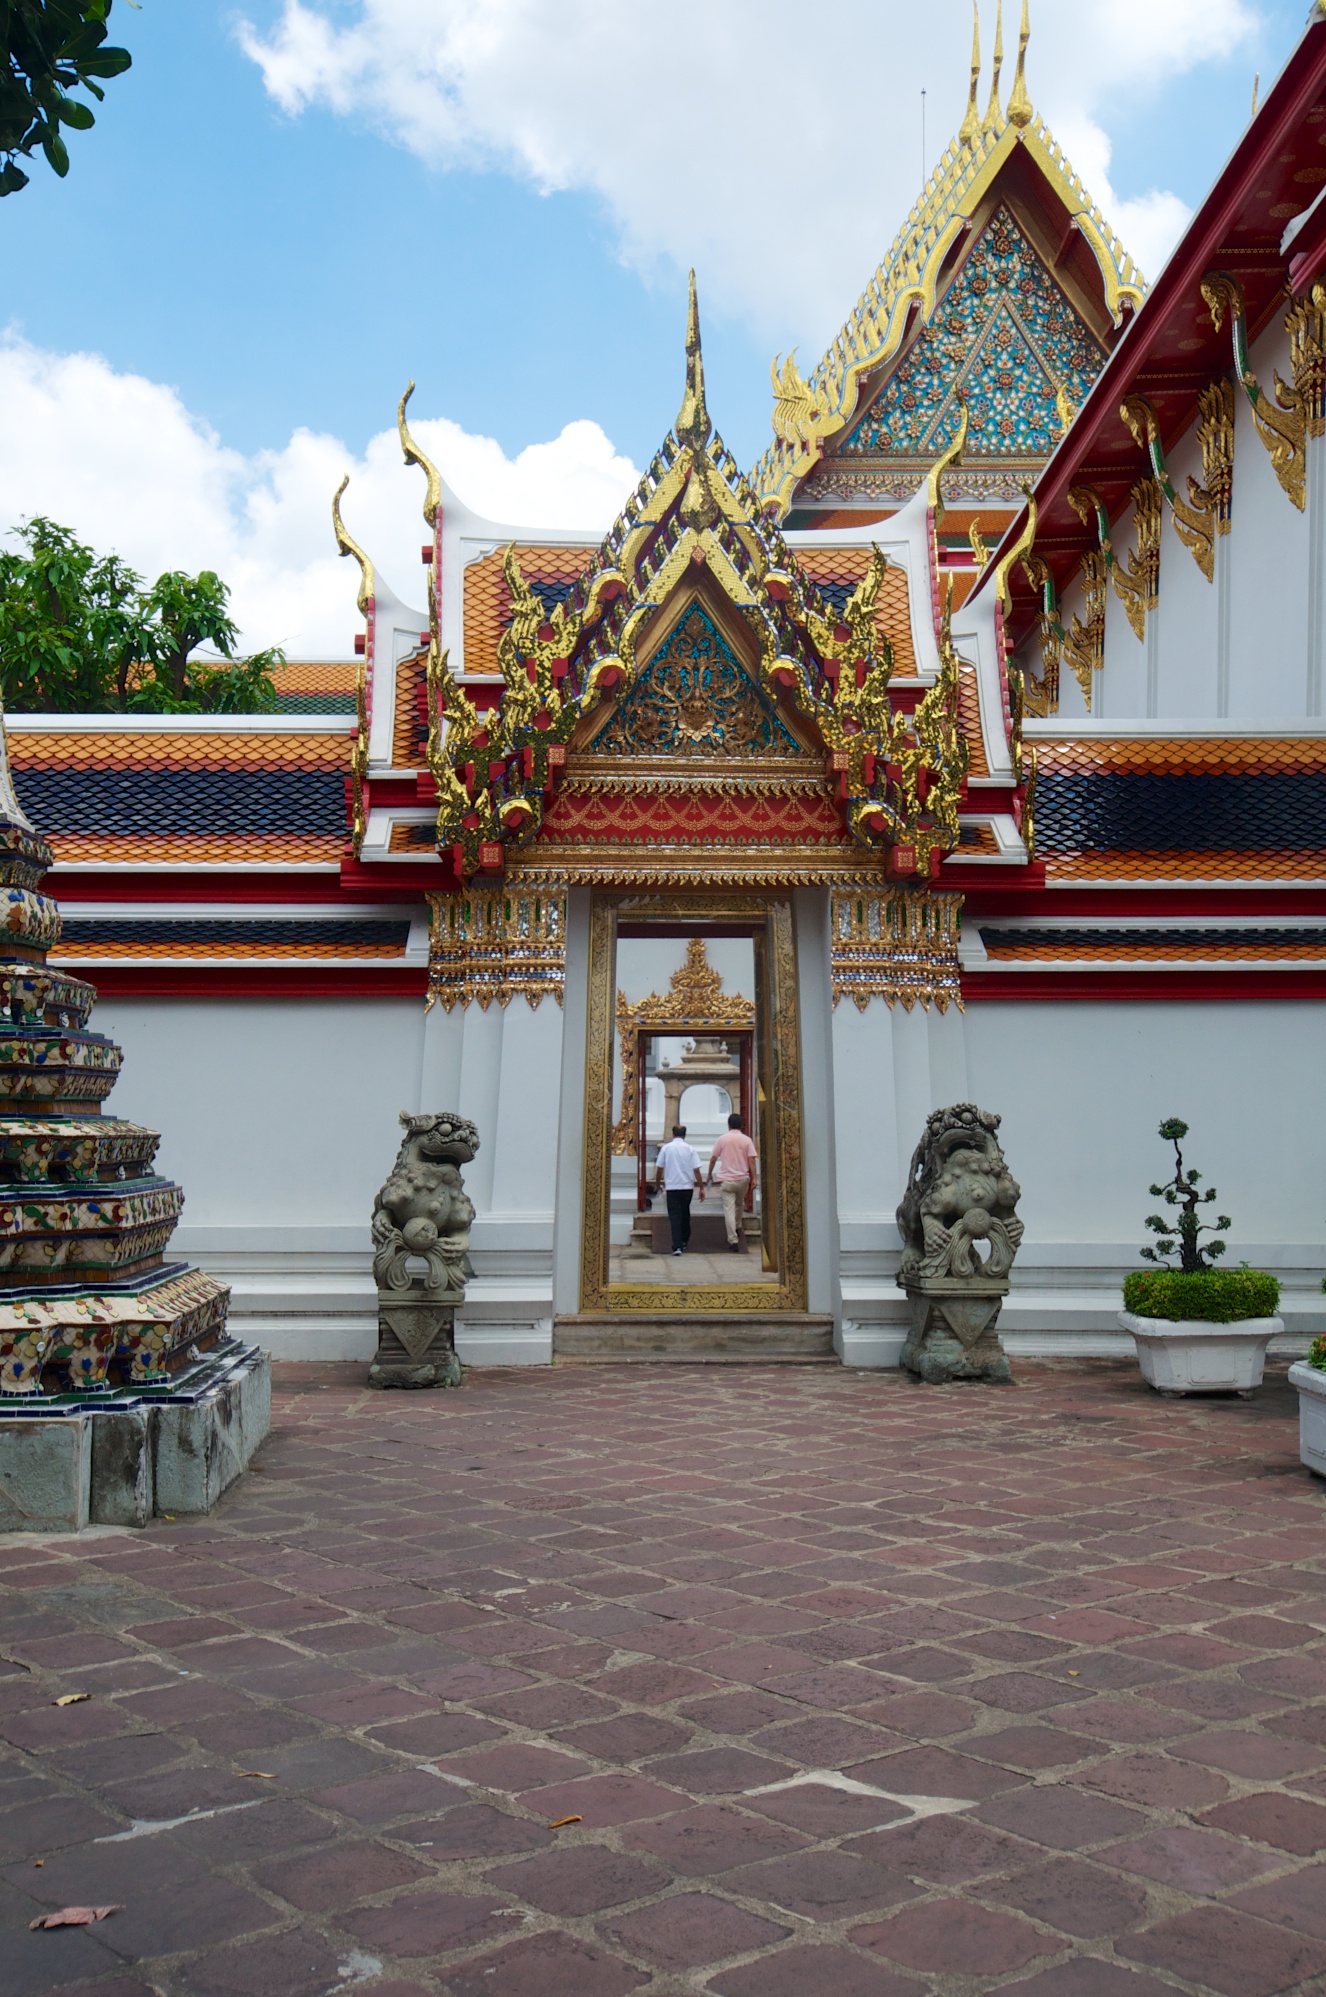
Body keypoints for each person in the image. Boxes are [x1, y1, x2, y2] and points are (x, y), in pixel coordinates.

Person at [707, 1111, 758, 1252]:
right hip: (742, 1179)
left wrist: (709, 1174)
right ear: (741, 1125)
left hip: (727, 1180)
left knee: (728, 1209)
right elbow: (751, 1160)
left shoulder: (722, 1139)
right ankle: (737, 1225)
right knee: (739, 1204)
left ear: (728, 1125)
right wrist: (754, 1177)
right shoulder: (747, 1140)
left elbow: (713, 1158)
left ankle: (733, 1239)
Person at [653, 1123, 704, 1256]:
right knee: (685, 1212)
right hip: (687, 1186)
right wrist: (701, 1187)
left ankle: (677, 1245)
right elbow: (696, 1170)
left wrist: (657, 1183)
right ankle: (684, 1239)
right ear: (684, 1135)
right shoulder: (690, 1149)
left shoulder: (666, 1148)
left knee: (674, 1216)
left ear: (673, 1134)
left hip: (672, 1186)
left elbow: (659, 1168)